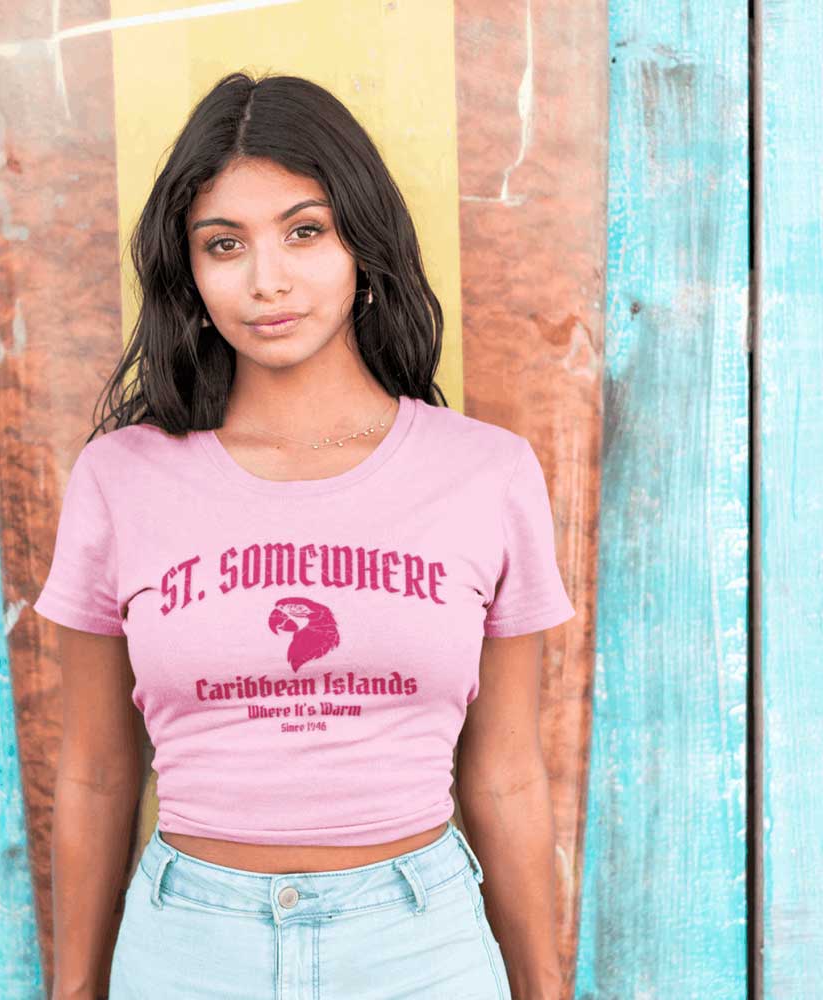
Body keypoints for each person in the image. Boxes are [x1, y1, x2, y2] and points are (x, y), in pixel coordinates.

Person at [34, 70, 576, 1000]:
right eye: (224, 244)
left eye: (305, 231)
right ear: (190, 273)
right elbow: (90, 772)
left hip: (421, 945)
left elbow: (508, 775)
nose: (267, 279)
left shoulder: (487, 472)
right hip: (188, 947)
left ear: (363, 245)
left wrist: (545, 991)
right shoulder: (120, 478)